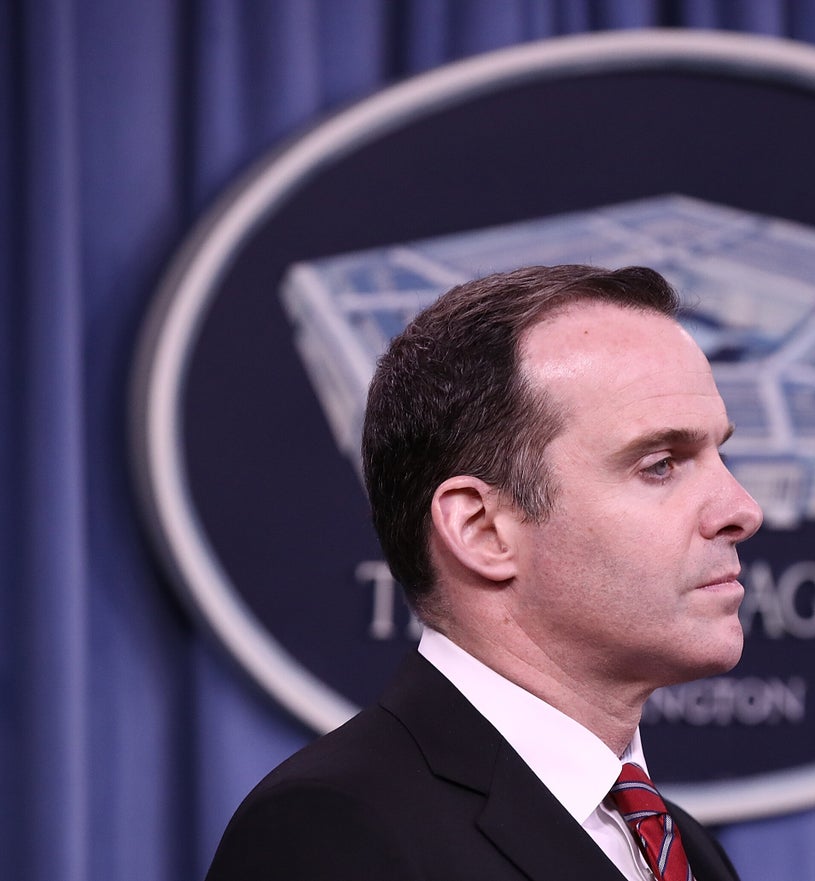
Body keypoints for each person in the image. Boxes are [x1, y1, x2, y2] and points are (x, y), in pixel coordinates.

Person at [204, 264, 764, 881]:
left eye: (721, 453)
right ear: (482, 530)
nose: (742, 510)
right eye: (660, 464)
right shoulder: (335, 833)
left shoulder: (686, 851)